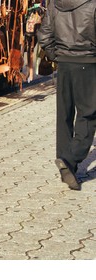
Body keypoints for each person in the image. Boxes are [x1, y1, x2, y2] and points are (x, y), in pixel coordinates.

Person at [37, 0, 96, 190]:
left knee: (65, 114)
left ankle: (66, 169)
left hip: (64, 64)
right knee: (88, 114)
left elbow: (44, 35)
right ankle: (68, 160)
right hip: (88, 62)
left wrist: (58, 56)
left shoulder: (55, 3)